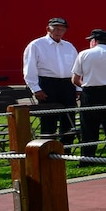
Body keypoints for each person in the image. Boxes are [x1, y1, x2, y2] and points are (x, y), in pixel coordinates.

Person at [23, 17, 79, 147]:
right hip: (47, 84)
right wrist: (35, 88)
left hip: (67, 84)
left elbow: (76, 68)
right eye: (56, 29)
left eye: (62, 29)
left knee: (69, 116)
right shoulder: (36, 45)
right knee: (49, 118)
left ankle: (66, 146)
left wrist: (78, 88)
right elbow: (29, 67)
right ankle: (47, 147)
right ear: (48, 29)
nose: (59, 32)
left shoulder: (69, 46)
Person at [73, 29, 106, 161]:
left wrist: (85, 85)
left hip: (91, 93)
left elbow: (75, 78)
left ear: (94, 41)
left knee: (88, 128)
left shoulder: (83, 54)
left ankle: (87, 158)